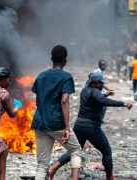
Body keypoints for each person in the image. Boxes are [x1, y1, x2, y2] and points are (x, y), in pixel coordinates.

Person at [49, 72, 133, 180]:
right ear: (94, 83)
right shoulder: (94, 91)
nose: (102, 85)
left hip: (79, 126)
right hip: (91, 127)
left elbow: (96, 99)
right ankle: (110, 176)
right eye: (100, 83)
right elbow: (102, 100)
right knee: (106, 151)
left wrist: (105, 94)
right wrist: (123, 103)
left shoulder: (85, 90)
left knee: (74, 150)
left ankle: (53, 169)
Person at [31, 45, 82, 180]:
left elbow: (39, 98)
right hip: (56, 123)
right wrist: (67, 127)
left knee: (42, 165)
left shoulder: (41, 76)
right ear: (65, 60)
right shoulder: (66, 77)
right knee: (76, 150)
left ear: (52, 59)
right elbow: (64, 101)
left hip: (40, 123)